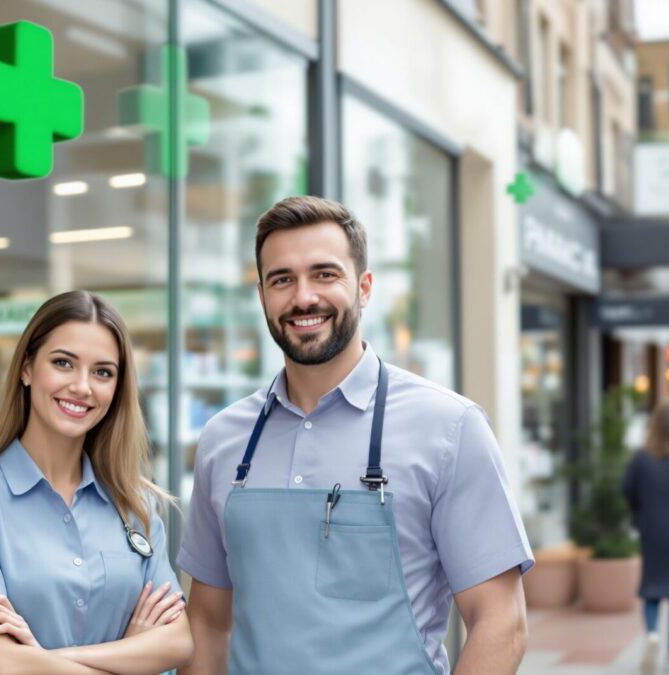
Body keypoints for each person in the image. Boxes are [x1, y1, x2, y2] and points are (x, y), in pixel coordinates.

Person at [176, 196, 534, 675]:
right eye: (282, 279)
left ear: (364, 288)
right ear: (262, 296)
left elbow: (501, 622)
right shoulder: (223, 440)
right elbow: (208, 625)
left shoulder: (449, 428)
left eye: (325, 274)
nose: (304, 297)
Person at [0, 291, 193, 675]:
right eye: (63, 363)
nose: (82, 386)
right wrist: (131, 654)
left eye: (103, 372)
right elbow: (3, 666)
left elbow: (178, 642)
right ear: (26, 368)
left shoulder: (136, 503)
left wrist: (41, 658)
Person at [623, 398, 669, 675]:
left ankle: (651, 634)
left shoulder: (641, 458)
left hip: (652, 531)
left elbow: (627, 489)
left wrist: (641, 512)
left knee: (651, 588)